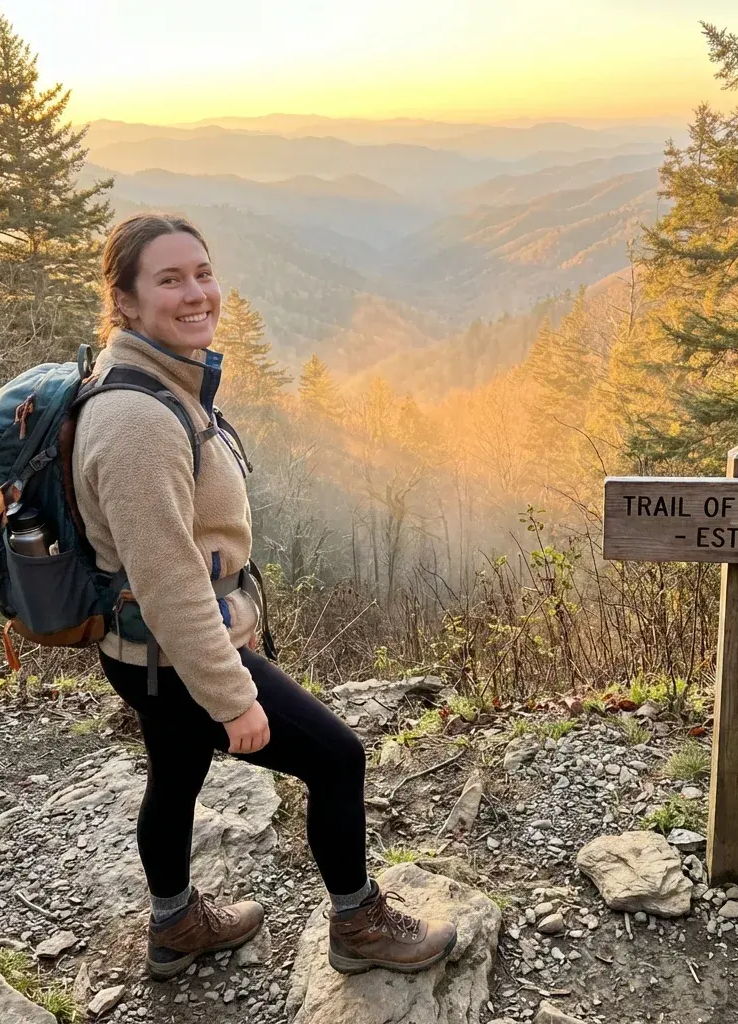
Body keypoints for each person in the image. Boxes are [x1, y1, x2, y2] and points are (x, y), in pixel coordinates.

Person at [72, 212, 457, 980]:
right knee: (338, 759)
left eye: (203, 273)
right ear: (124, 300)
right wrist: (231, 696)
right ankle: (358, 924)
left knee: (176, 775)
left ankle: (175, 925)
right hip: (174, 656)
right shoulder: (137, 420)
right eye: (170, 279)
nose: (197, 293)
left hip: (151, 652)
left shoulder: (162, 383)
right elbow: (169, 578)